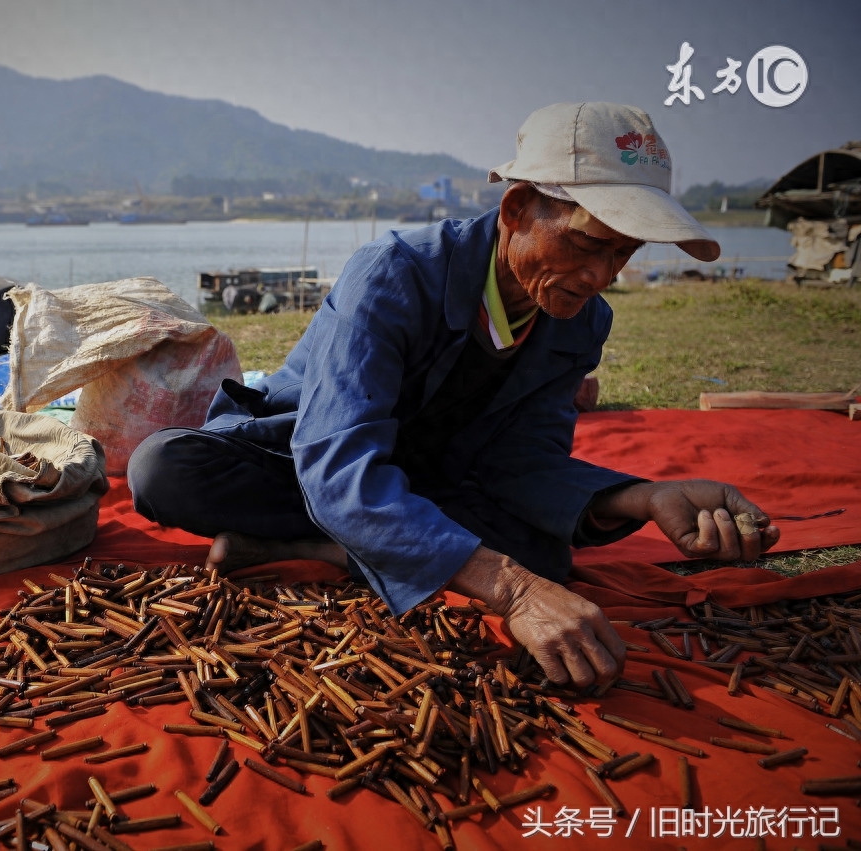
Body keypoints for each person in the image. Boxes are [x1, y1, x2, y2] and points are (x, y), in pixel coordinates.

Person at [127, 102, 780, 689]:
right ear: (518, 209)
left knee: (546, 548)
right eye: (586, 242)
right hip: (311, 462)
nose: (601, 274)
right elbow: (337, 464)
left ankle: (318, 550)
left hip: (432, 478)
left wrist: (642, 495)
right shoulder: (396, 273)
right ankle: (368, 540)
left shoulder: (583, 318)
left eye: (624, 253)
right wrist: (514, 591)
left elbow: (526, 460)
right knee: (165, 467)